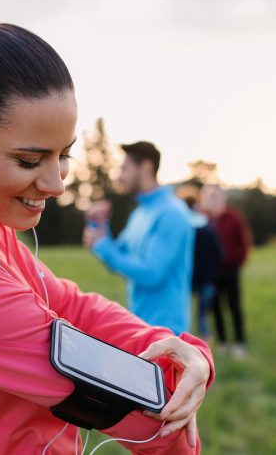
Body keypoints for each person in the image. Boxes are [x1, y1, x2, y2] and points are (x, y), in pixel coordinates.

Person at [0, 24, 214, 454]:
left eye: (63, 154)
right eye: (29, 160)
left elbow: (72, 305)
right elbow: (151, 422)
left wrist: (184, 352)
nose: (56, 183)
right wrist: (184, 380)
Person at [83, 141, 196, 335]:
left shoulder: (172, 213)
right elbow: (119, 256)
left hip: (167, 332)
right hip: (140, 325)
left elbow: (152, 273)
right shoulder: (141, 212)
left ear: (146, 167)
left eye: (125, 168)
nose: (119, 175)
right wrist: (98, 224)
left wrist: (101, 246)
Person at [200, 184, 251, 358]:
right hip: (212, 272)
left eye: (215, 196)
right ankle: (221, 342)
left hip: (231, 270)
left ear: (223, 198)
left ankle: (239, 342)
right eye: (209, 196)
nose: (212, 199)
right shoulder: (203, 219)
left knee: (234, 305)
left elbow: (244, 243)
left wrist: (238, 262)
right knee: (215, 308)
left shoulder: (233, 217)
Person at [180, 193, 223, 342]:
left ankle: (186, 340)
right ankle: (204, 343)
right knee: (202, 314)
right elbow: (219, 253)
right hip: (207, 277)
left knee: (185, 310)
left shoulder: (183, 228)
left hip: (189, 277)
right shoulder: (209, 228)